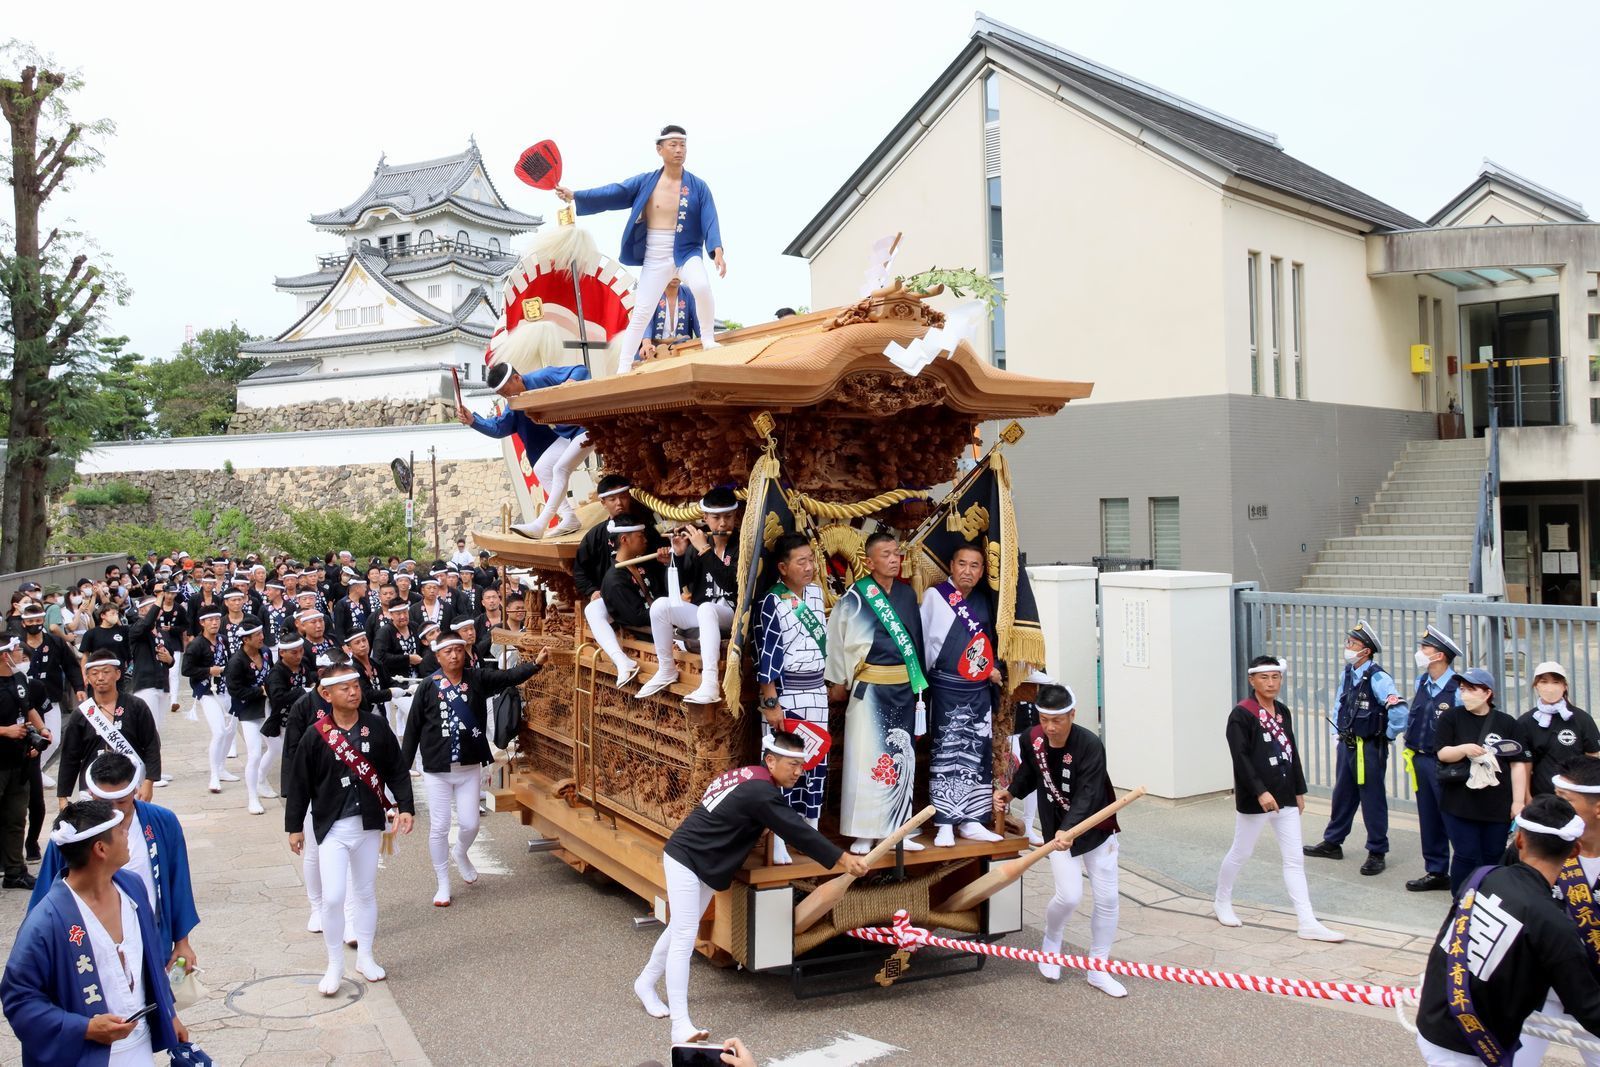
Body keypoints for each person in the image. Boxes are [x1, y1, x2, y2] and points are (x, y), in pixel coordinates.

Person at [633, 731, 866, 1044]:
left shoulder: (750, 776)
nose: (799, 771)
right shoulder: (761, 791)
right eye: (791, 764)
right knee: (685, 935)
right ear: (770, 761)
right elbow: (795, 829)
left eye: (801, 764)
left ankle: (646, 982)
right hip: (687, 858)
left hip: (698, 857)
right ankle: (680, 1024)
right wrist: (842, 858)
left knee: (679, 929)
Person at [1, 799, 192, 1065]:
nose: (128, 834)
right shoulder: (45, 921)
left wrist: (169, 1014)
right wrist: (86, 1028)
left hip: (140, 1046)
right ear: (101, 849)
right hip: (88, 1055)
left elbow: (148, 965)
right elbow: (20, 999)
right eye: (121, 830)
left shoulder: (132, 888)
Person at [1415, 795, 1600, 1065]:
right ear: (1574, 851)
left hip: (1435, 1018)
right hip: (1470, 1047)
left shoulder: (1483, 876)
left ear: (1521, 840)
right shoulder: (1552, 923)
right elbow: (1589, 1007)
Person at [286, 656, 416, 995]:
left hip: (369, 825)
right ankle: (334, 964)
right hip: (332, 828)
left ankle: (367, 956)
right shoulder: (316, 736)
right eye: (344, 688)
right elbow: (299, 783)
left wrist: (405, 807)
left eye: (356, 686)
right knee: (333, 898)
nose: (353, 692)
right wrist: (295, 827)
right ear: (327, 695)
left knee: (365, 892)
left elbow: (397, 769)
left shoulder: (375, 726)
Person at [993, 682, 1128, 998]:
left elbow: (1089, 794)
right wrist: (1010, 792)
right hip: (1058, 830)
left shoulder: (1090, 744)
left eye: (1058, 720)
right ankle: (1052, 940)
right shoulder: (1032, 739)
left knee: (1107, 900)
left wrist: (1072, 828)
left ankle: (1098, 968)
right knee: (1069, 896)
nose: (1050, 727)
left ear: (1072, 715)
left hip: (1096, 828)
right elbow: (1030, 773)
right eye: (1044, 719)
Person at [556, 124, 724, 373]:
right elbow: (614, 192)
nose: (679, 150)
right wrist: (576, 196)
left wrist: (716, 248)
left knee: (701, 285)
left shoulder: (698, 186)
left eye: (683, 145)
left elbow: (710, 217)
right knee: (642, 310)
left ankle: (709, 338)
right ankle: (624, 364)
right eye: (673, 145)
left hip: (686, 250)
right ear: (660, 149)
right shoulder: (646, 182)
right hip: (655, 253)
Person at [402, 635, 545, 906]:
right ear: (438, 656)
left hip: (468, 767)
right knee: (440, 826)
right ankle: (442, 882)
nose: (454, 656)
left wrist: (535, 665)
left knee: (471, 823)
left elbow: (507, 677)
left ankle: (461, 853)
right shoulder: (427, 686)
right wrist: (401, 773)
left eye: (458, 650)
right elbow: (412, 731)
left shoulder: (477, 677)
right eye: (448, 652)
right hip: (437, 769)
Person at [30, 753, 200, 974]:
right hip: (90, 941)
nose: (116, 810)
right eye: (105, 803)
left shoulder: (162, 821)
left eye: (122, 801)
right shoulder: (73, 831)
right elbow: (46, 892)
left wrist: (182, 942)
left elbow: (179, 882)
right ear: (91, 794)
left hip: (148, 935)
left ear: (135, 790)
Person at [1212, 657, 1344, 942]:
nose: (1271, 683)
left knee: (1294, 859)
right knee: (1241, 852)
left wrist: (1299, 789)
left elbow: (1291, 751)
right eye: (1265, 678)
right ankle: (1222, 900)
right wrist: (1260, 791)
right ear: (1252, 681)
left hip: (1285, 795)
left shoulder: (1282, 711)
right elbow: (1241, 758)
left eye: (1276, 677)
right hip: (1255, 797)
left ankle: (1307, 921)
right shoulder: (1242, 714)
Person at [824, 532, 927, 855]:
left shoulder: (908, 596)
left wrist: (919, 688)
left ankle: (899, 827)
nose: (894, 559)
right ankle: (864, 831)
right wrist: (838, 681)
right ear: (869, 562)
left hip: (902, 689)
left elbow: (917, 642)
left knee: (902, 760)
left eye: (897, 553)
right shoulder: (855, 597)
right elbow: (838, 642)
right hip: (870, 691)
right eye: (886, 554)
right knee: (866, 759)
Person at [1304, 620, 1407, 876]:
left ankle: (1377, 851)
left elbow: (1400, 712)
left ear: (1366, 650)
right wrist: (1335, 734)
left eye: (1353, 644)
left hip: (1369, 747)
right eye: (1348, 642)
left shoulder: (1379, 678)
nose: (1348, 647)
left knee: (1372, 798)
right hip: (1348, 744)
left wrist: (1388, 736)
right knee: (1343, 794)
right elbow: (1339, 703)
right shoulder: (1348, 673)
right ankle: (1333, 842)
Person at [920, 541, 1004, 848]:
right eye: (962, 564)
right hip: (946, 688)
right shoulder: (935, 597)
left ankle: (972, 820)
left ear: (982, 571)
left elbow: (991, 646)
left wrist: (992, 668)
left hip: (978, 691)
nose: (967, 571)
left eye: (975, 566)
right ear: (951, 566)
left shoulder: (984, 601)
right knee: (946, 753)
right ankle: (944, 821)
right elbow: (924, 642)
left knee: (977, 753)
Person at [1515, 761, 1600, 1065]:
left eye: (1565, 799)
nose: (1553, 805)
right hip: (1540, 992)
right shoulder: (1539, 845)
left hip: (1593, 996)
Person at [754, 534, 830, 864]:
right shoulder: (772, 602)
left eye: (812, 559)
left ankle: (810, 830)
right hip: (788, 694)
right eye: (802, 561)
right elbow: (766, 653)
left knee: (816, 764)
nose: (810, 567)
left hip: (817, 691)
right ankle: (779, 839)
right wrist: (771, 702)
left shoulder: (815, 594)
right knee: (783, 766)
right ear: (783, 568)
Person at [461, 361, 592, 541]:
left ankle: (540, 524)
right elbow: (500, 428)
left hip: (589, 425)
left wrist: (569, 383)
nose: (509, 399)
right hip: (569, 434)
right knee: (542, 468)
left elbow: (580, 369)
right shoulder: (514, 402)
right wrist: (473, 421)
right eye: (503, 396)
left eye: (507, 393)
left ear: (517, 378)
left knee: (560, 469)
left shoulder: (542, 376)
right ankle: (568, 516)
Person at [637, 487, 740, 706]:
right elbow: (675, 587)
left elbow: (731, 583)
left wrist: (705, 550)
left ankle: (710, 683)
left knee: (706, 609)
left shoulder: (743, 545)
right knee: (661, 606)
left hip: (734, 613)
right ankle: (666, 669)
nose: (723, 523)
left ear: (736, 517)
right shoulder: (697, 545)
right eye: (716, 518)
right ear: (705, 518)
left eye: (728, 517)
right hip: (703, 614)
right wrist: (680, 555)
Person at [1436, 666, 1530, 894]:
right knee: (1466, 854)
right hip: (1460, 802)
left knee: (1493, 854)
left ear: (1487, 693)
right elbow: (1442, 753)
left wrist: (1518, 802)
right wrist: (1464, 749)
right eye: (1462, 689)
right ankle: (1460, 899)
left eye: (1471, 689)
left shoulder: (1507, 723)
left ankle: (1489, 899)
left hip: (1496, 804)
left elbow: (1518, 764)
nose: (1465, 694)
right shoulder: (1451, 717)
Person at [1403, 626, 1465, 894]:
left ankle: (1466, 873)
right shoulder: (1422, 682)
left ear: (1439, 655)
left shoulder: (1458, 689)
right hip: (1421, 759)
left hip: (1448, 764)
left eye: (1425, 648)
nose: (1420, 652)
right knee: (1428, 817)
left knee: (1454, 817)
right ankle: (1436, 870)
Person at [55, 651, 160, 808]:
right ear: (88, 678)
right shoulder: (81, 713)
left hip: (130, 783)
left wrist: (149, 782)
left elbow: (152, 745)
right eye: (95, 673)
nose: (100, 678)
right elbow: (70, 756)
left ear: (117, 674)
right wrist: (63, 797)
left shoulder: (136, 706)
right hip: (92, 786)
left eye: (106, 672)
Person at [593, 516, 668, 686]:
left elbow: (661, 594)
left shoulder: (643, 564)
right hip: (647, 635)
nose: (645, 540)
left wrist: (667, 565)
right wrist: (669, 611)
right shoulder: (614, 579)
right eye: (641, 536)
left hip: (661, 624)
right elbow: (636, 617)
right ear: (624, 539)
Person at [0, 634, 50, 889]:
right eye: (16, 649)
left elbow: (28, 707)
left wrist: (42, 729)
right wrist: (4, 731)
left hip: (19, 760)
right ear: (3, 654)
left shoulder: (19, 678)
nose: (21, 652)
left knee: (16, 817)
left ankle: (14, 871)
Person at [1515, 661, 1599, 802]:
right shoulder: (1526, 721)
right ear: (1536, 686)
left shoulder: (1581, 719)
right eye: (1544, 682)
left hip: (1575, 799)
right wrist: (1526, 797)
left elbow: (1592, 759)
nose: (1550, 687)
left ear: (1564, 686)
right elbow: (1523, 764)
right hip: (1540, 799)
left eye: (1555, 682)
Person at [182, 607, 236, 794]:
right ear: (202, 623)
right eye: (210, 620)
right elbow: (186, 670)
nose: (214, 623)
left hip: (226, 689)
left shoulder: (223, 639)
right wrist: (207, 671)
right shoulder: (196, 644)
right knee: (219, 732)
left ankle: (221, 768)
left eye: (216, 619)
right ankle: (214, 774)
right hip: (207, 692)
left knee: (231, 730)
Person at [224, 618, 274, 815]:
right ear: (245, 639)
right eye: (257, 635)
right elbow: (235, 690)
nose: (262, 637)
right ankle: (252, 797)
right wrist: (260, 691)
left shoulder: (266, 652)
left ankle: (261, 779)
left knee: (276, 747)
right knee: (254, 754)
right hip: (248, 711)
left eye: (262, 633)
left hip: (269, 708)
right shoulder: (236, 662)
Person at [637, 275, 700, 362]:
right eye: (672, 269)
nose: (675, 275)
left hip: (681, 348)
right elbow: (646, 321)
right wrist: (646, 343)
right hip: (654, 350)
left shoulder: (688, 292)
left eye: (678, 270)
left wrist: (706, 338)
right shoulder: (651, 292)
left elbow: (699, 321)